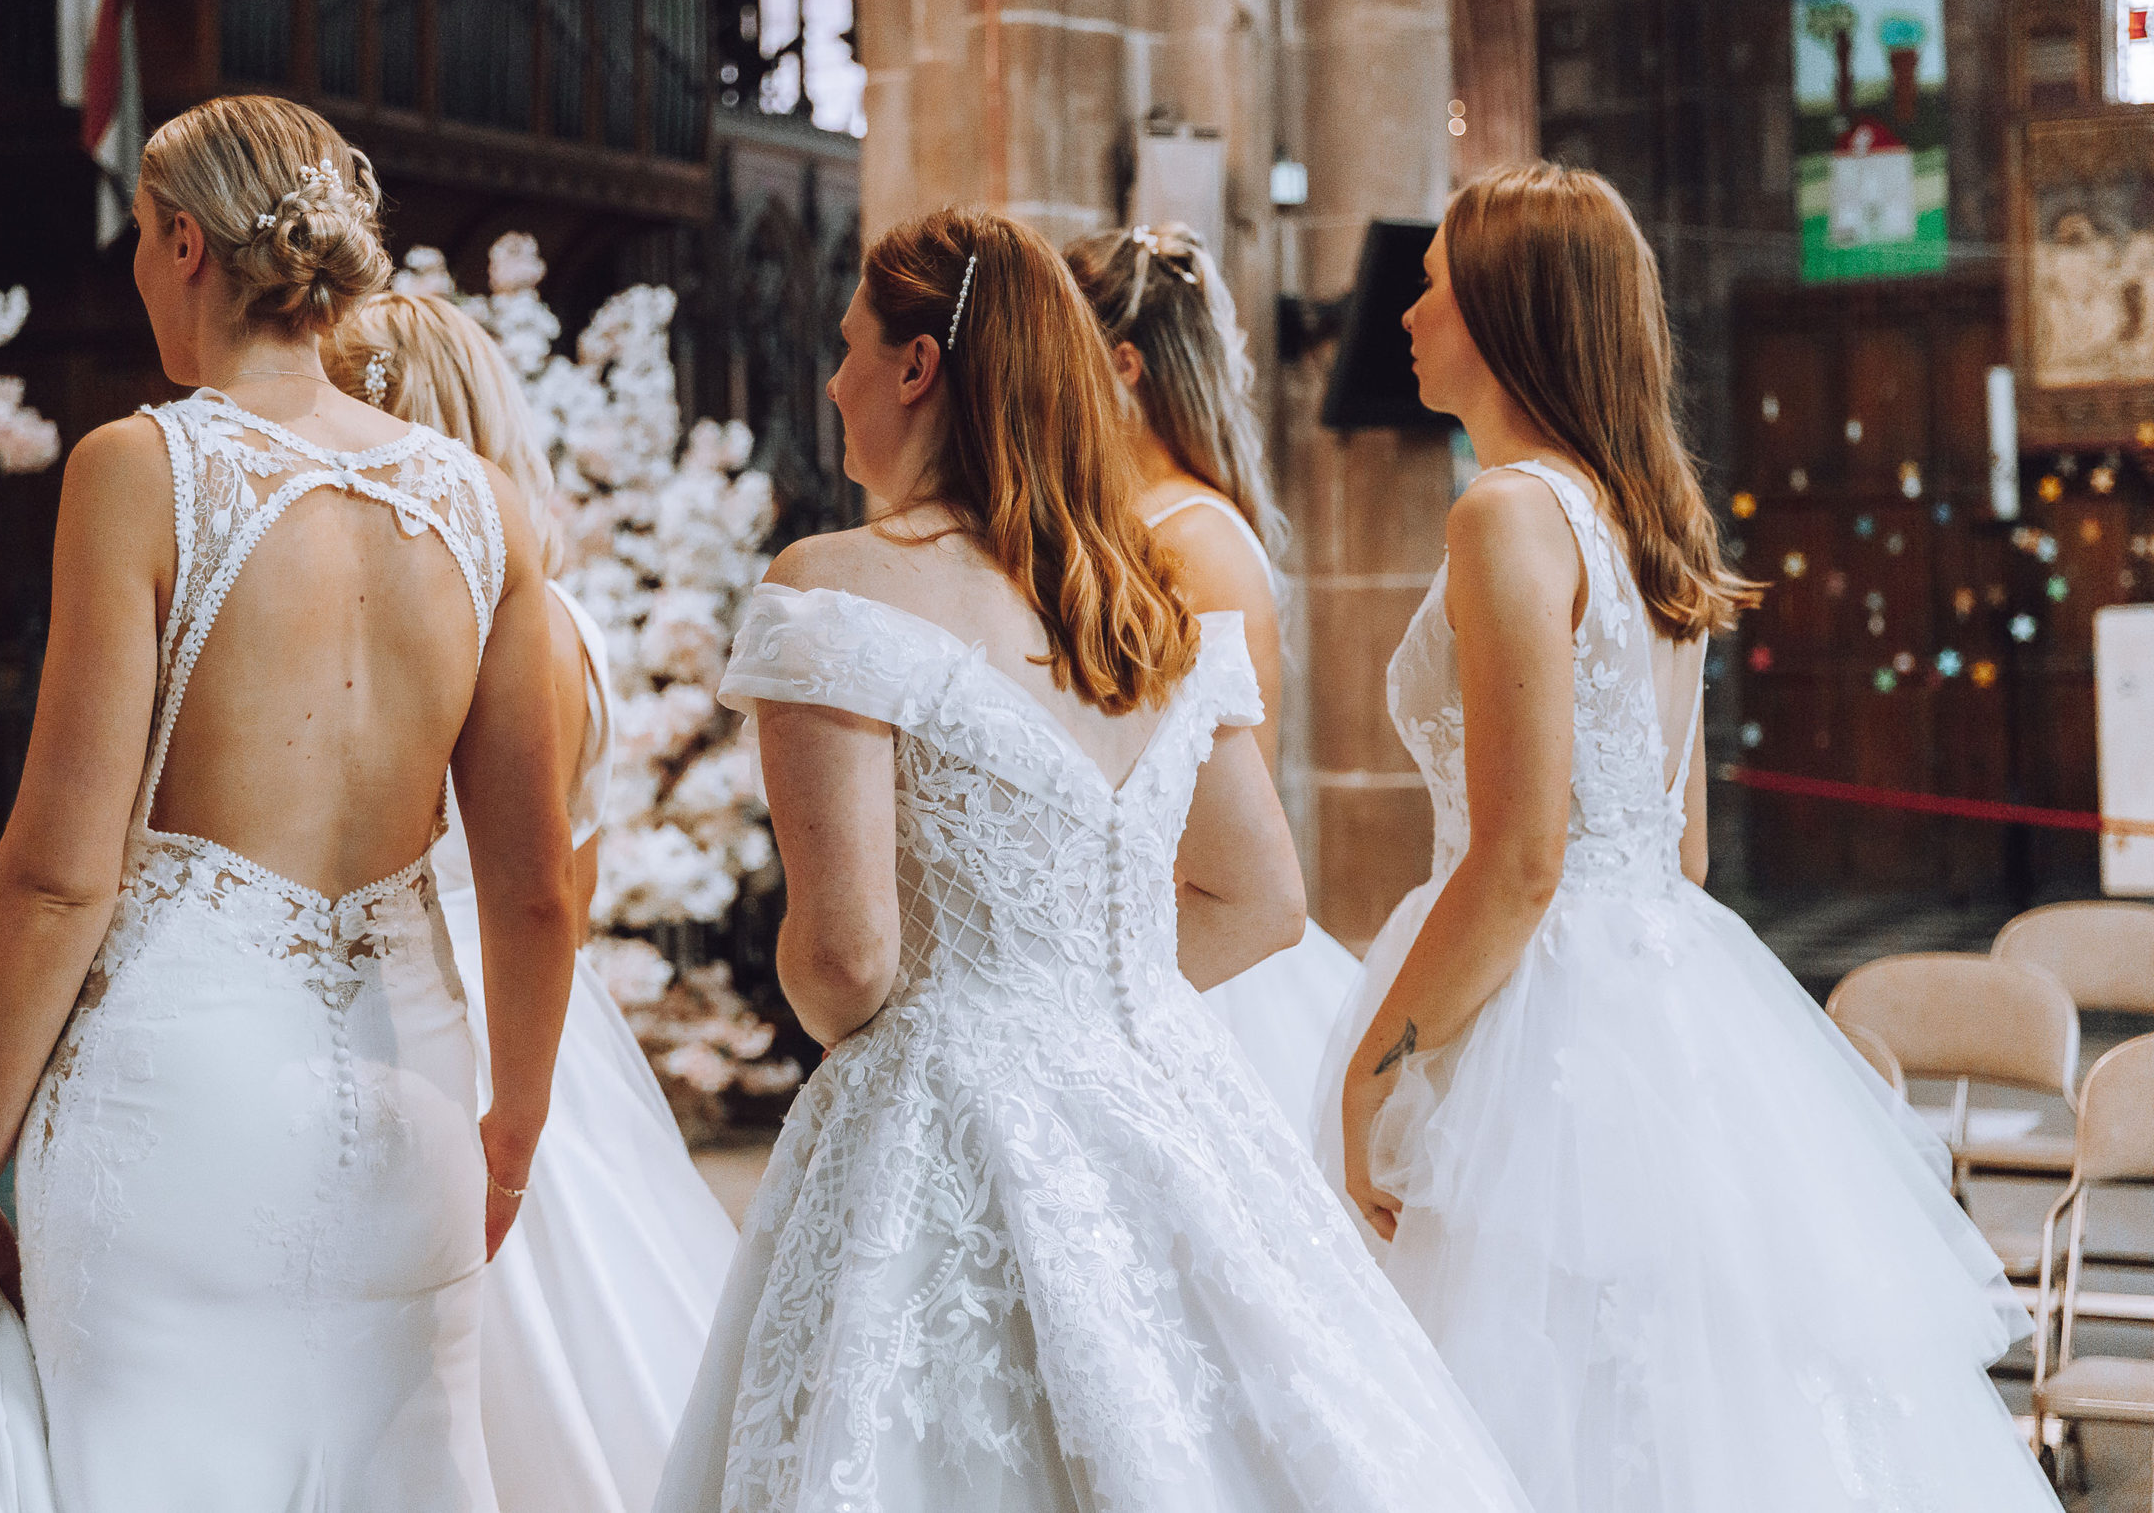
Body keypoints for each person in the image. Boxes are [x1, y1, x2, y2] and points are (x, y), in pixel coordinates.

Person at [654, 207, 1530, 1513]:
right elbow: (1262, 898)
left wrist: (976, 1016)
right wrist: (1076, 987)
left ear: (917, 366)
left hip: (941, 1117)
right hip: (1163, 1089)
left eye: (848, 346)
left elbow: (846, 959)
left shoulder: (835, 585)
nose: (832, 380)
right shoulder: (1145, 602)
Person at [1317, 161, 2057, 1513]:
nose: (1408, 317)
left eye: (1429, 289)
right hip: (1666, 992)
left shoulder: (1508, 514)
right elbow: (1684, 850)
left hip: (1536, 1015)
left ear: (1502, 310)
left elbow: (1523, 856)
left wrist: (1383, 1061)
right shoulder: (1641, 522)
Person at [0, 95, 578, 1513]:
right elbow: (534, 884)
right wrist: (512, 1127)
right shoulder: (485, 506)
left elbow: (58, 874)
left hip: (181, 1105)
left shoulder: (141, 469)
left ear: (180, 242)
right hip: (414, 1104)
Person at [324, 291, 736, 1513]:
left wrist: (509, 1108)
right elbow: (573, 890)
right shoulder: (566, 621)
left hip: (421, 1008)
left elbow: (519, 886)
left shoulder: (439, 624)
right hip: (545, 1016)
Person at [1065, 222, 1363, 1129]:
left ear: (1121, 365)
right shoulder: (1133, 520)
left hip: (1190, 946)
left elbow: (1207, 785)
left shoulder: (1187, 536)